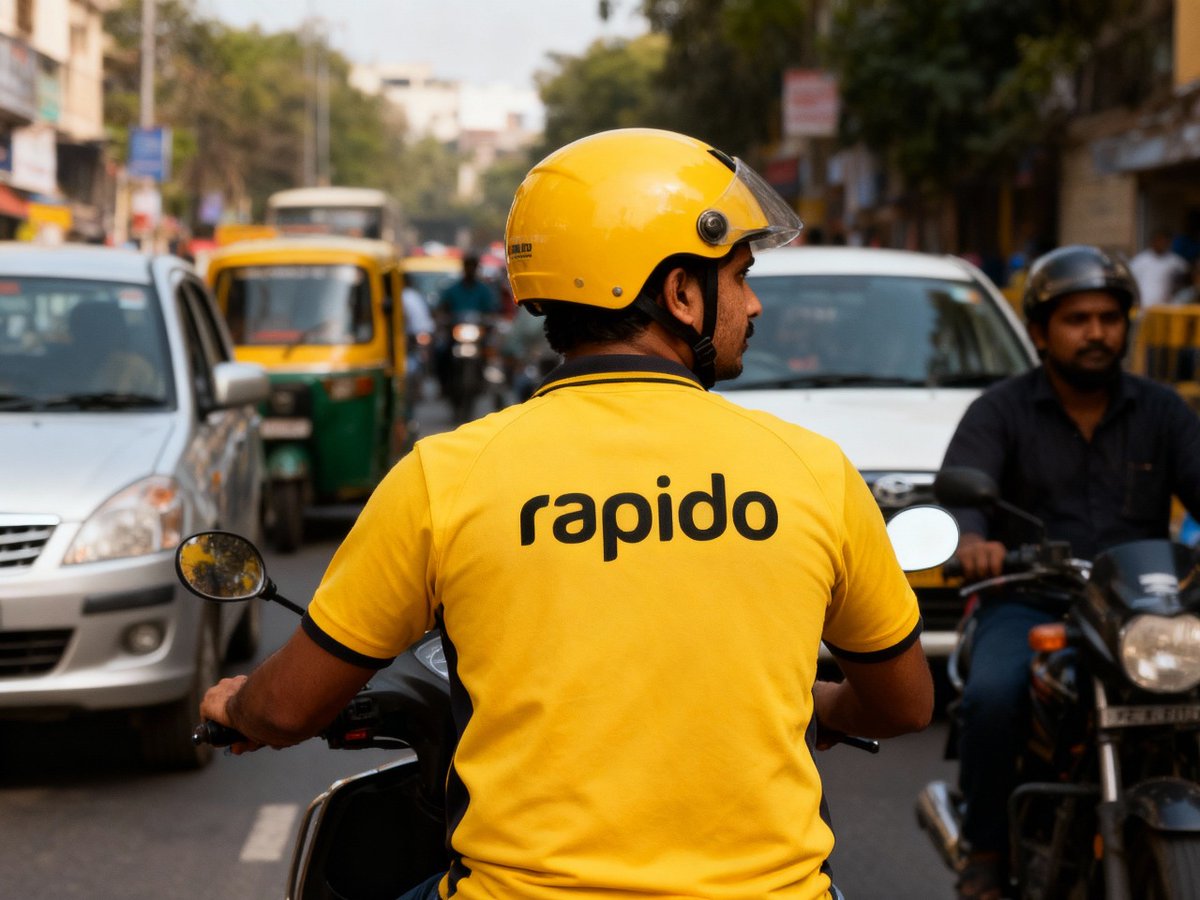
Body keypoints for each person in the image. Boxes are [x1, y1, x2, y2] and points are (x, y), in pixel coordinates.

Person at [199, 128, 934, 900]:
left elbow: (288, 707)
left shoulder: (446, 476)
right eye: (741, 275)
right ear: (681, 293)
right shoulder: (810, 469)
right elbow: (905, 702)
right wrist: (822, 705)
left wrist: (236, 705)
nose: (752, 304)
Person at [939, 244, 1200, 900]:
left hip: (1142, 612)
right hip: (1033, 601)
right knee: (992, 696)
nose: (1096, 333)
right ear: (1038, 331)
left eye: (1109, 318)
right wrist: (974, 541)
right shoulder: (1000, 411)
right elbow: (965, 496)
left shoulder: (1163, 412)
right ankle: (988, 852)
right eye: (1077, 319)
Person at [1129, 229, 1188, 308]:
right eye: (1159, 240)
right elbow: (1130, 282)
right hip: (1144, 306)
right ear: (1152, 241)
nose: (1162, 243)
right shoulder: (1140, 261)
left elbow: (1188, 275)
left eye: (1165, 241)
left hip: (1165, 307)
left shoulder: (1175, 260)